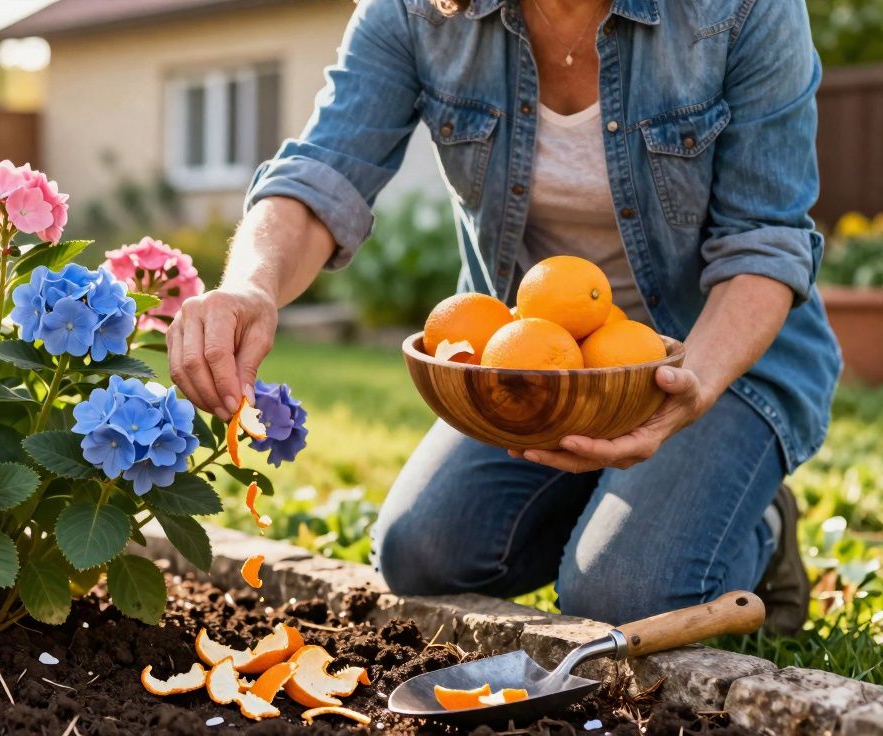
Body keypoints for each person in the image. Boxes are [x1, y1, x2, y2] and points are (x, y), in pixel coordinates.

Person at [166, 0, 840, 633]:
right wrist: (250, 286)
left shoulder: (743, 10)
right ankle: (620, 497)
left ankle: (763, 532)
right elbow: (324, 171)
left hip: (711, 356)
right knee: (421, 556)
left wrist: (692, 382)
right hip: (536, 367)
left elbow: (763, 242)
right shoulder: (419, 11)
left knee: (619, 595)